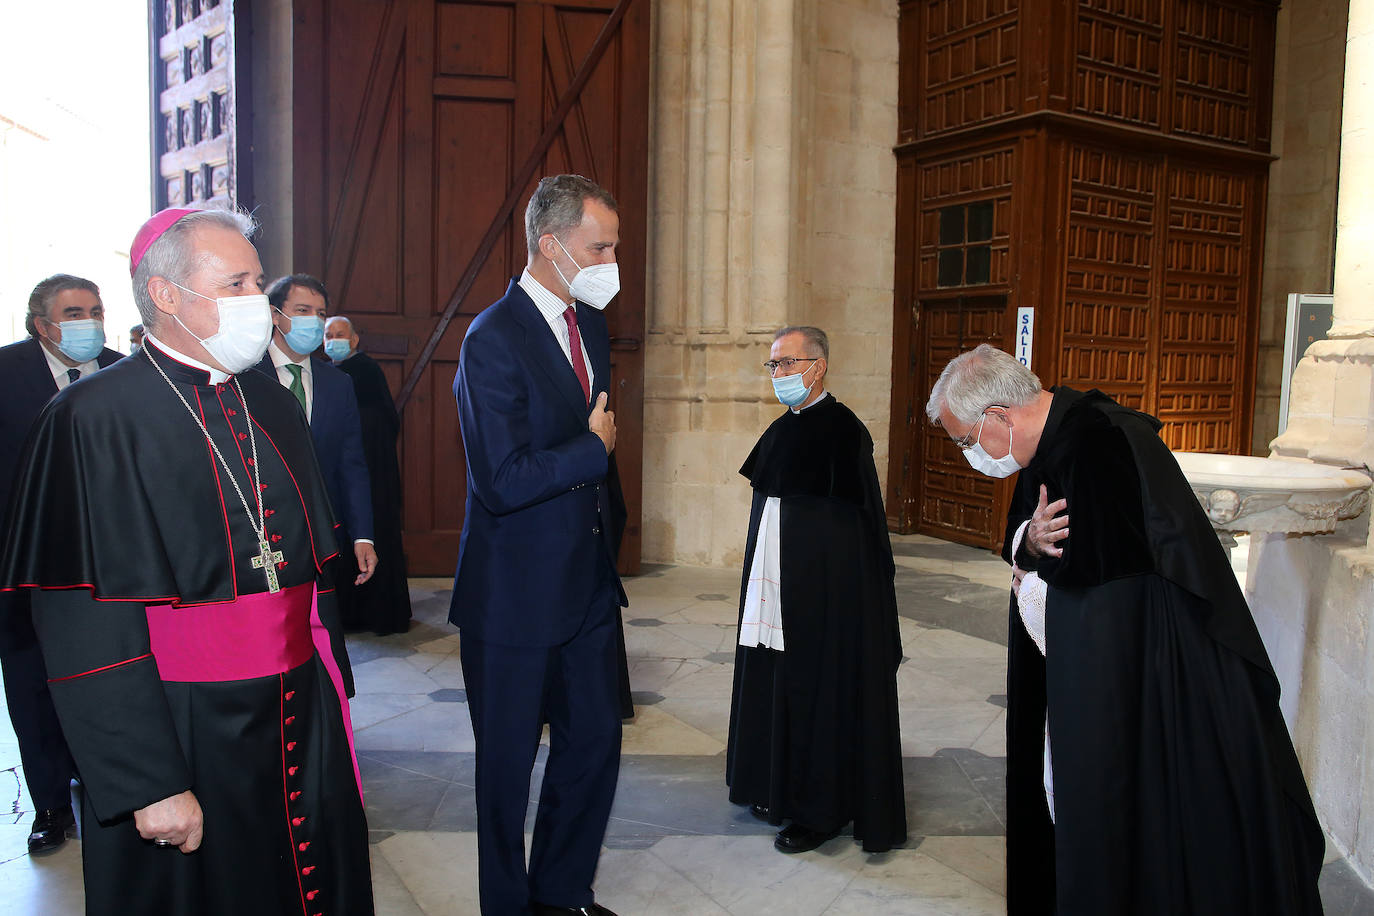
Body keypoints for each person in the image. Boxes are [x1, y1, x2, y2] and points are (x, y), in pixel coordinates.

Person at [0, 208, 373, 915]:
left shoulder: (269, 398)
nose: (257, 301)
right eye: (235, 282)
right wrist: (147, 780)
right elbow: (83, 623)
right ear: (167, 295)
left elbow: (300, 576)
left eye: (257, 281)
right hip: (180, 721)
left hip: (299, 701)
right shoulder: (93, 416)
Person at [926, 343, 1324, 915]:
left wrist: (1040, 563)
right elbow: (1035, 543)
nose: (972, 454)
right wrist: (1029, 544)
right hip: (1090, 668)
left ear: (997, 417)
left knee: (1133, 812)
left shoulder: (1102, 443)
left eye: (967, 440)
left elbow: (1114, 580)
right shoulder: (1045, 441)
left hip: (1150, 680)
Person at [450, 174, 626, 916]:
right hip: (513, 599)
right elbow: (502, 478)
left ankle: (563, 894)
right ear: (551, 246)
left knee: (593, 752)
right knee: (506, 772)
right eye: (601, 246)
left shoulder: (591, 326)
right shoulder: (491, 338)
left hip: (585, 587)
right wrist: (592, 451)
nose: (613, 260)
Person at [725, 326, 907, 855]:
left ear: (818, 366)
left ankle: (818, 810)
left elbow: (852, 532)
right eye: (773, 365)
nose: (778, 374)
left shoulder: (843, 431)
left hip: (821, 601)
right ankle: (774, 786)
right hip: (775, 590)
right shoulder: (784, 429)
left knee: (816, 691)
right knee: (776, 684)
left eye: (786, 363)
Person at [0, 274, 123, 855]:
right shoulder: (5, 374)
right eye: (74, 313)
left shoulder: (126, 371)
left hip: (114, 565)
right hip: (26, 565)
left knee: (110, 678)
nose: (88, 323)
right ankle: (49, 802)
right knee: (32, 684)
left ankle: (107, 785)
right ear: (42, 325)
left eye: (95, 311)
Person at [258, 275, 378, 625]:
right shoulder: (246, 375)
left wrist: (363, 535)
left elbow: (352, 464)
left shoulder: (339, 384)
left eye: (320, 312)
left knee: (320, 633)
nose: (314, 320)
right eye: (302, 310)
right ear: (276, 315)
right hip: (262, 537)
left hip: (323, 538)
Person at [323, 316, 412, 634]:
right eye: (328, 335)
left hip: (370, 473)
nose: (333, 340)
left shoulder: (364, 371)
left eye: (340, 334)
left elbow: (378, 422)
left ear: (355, 339)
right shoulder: (326, 375)